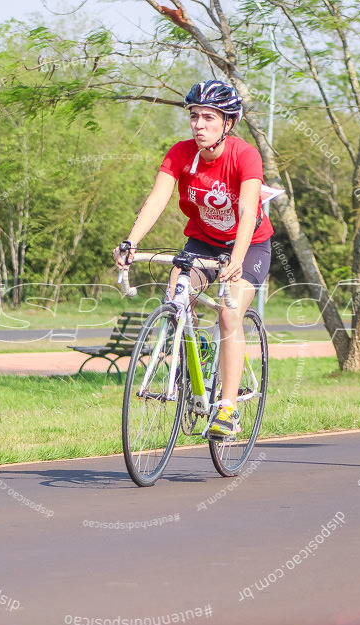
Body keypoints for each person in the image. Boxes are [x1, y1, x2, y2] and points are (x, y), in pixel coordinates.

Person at [114, 79, 272, 438]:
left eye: (209, 118)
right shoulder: (181, 153)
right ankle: (196, 350)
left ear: (228, 123)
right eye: (195, 116)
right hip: (201, 240)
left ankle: (228, 409)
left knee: (230, 314)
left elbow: (248, 212)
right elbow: (156, 200)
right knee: (176, 299)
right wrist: (131, 241)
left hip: (249, 244)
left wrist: (237, 257)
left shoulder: (244, 155)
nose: (199, 125)